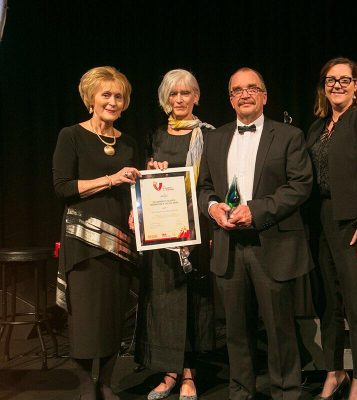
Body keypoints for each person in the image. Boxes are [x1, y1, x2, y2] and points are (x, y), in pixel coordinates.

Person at [198, 67, 313, 400]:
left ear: (265, 96)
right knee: (235, 331)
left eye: (251, 89)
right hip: (228, 246)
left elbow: (301, 185)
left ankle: (287, 392)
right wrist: (213, 208)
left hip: (272, 244)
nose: (243, 95)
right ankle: (240, 392)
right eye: (236, 90)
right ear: (230, 99)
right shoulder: (216, 138)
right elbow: (204, 187)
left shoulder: (289, 135)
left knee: (279, 331)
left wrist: (258, 210)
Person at [52, 66, 140, 400]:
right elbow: (62, 188)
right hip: (84, 240)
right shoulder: (71, 135)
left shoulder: (129, 142)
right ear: (91, 98)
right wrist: (110, 179)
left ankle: (106, 381)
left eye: (119, 96)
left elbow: (135, 189)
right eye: (106, 94)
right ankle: (85, 385)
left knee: (114, 316)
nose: (113, 101)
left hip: (120, 241)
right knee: (88, 318)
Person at [306, 57, 357, 400]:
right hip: (320, 222)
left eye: (344, 79)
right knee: (327, 304)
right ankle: (334, 370)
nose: (337, 85)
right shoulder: (317, 127)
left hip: (354, 225)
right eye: (330, 80)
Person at [134, 69, 215, 400]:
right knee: (164, 301)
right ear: (164, 99)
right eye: (173, 94)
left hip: (195, 230)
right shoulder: (154, 135)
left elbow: (211, 181)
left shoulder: (209, 135)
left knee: (193, 300)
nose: (179, 100)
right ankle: (169, 372)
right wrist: (151, 172)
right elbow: (142, 182)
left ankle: (189, 375)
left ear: (196, 96)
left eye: (186, 93)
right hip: (161, 232)